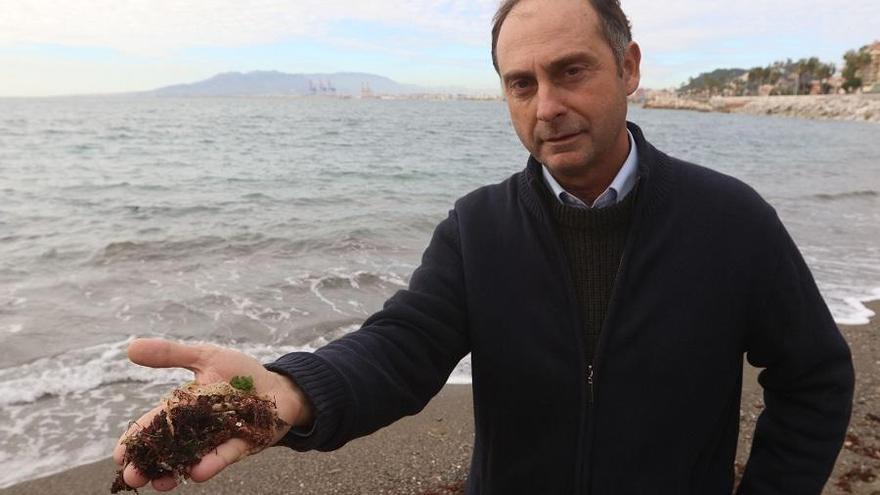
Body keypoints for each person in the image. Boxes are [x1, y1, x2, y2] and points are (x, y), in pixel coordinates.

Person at [114, 0, 855, 493]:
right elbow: (402, 346)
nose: (548, 106)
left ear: (629, 67)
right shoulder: (479, 229)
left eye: (571, 72)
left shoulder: (729, 220)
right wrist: (291, 392)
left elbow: (815, 374)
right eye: (521, 83)